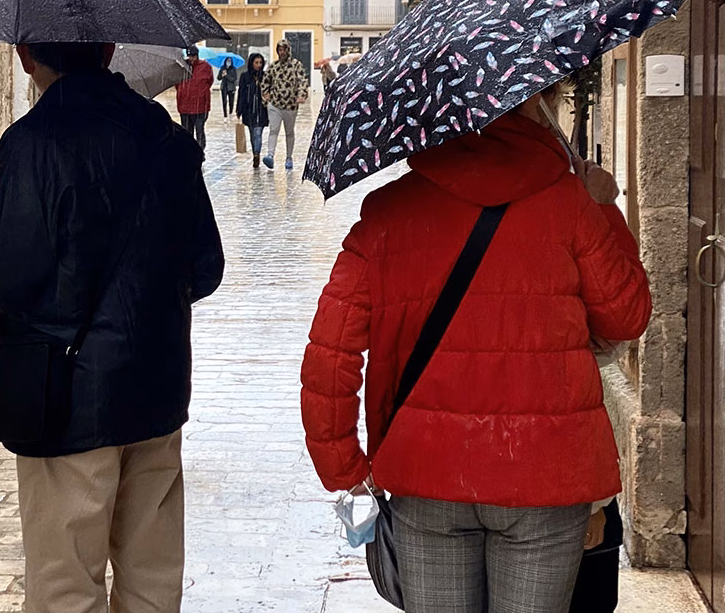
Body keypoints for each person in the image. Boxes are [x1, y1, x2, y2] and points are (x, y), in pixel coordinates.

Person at [300, 85, 652, 613]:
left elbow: (330, 353)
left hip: (426, 473)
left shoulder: (386, 213)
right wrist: (604, 209)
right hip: (547, 473)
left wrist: (344, 467)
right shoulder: (571, 203)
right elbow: (627, 314)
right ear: (536, 105)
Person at [0, 41, 225, 613]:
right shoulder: (168, 140)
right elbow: (205, 270)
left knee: (65, 587)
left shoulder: (33, 142)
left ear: (26, 55)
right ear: (107, 51)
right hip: (156, 391)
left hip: (66, 403)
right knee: (152, 582)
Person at [260, 39, 310, 171]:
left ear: (288, 50)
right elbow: (265, 81)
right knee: (274, 129)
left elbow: (302, 81)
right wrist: (266, 96)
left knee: (289, 132)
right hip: (275, 104)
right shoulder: (273, 66)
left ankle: (289, 157)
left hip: (291, 105)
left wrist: (302, 94)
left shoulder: (296, 65)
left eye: (284, 49)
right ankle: (270, 155)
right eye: (280, 50)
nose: (282, 52)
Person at [236, 53, 269, 168]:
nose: (259, 65)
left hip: (261, 110)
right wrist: (239, 109)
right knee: (252, 133)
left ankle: (256, 154)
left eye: (260, 63)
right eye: (256, 62)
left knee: (258, 133)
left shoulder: (265, 76)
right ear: (251, 63)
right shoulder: (245, 77)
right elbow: (241, 93)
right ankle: (255, 152)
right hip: (249, 110)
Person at [176, 46, 213, 149]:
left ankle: (200, 151)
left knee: (200, 130)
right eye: (190, 56)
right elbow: (177, 83)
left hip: (200, 106)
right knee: (187, 131)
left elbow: (209, 82)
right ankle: (189, 151)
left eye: (193, 56)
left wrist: (201, 93)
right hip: (185, 105)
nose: (191, 58)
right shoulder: (182, 67)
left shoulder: (205, 67)